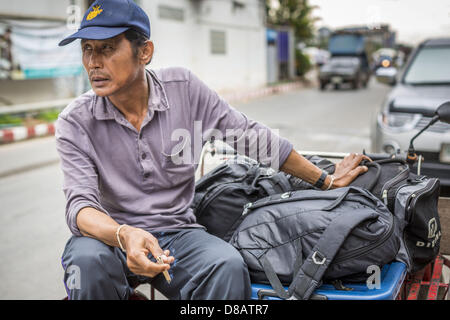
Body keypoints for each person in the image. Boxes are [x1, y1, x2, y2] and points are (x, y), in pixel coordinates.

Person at [56, 0, 369, 300]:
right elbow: (81, 207)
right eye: (87, 50)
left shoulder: (184, 90)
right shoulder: (75, 121)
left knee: (227, 266)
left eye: (107, 49)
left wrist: (325, 181)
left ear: (145, 52)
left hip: (177, 235)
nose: (93, 63)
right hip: (110, 239)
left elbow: (252, 138)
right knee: (86, 263)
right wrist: (124, 234)